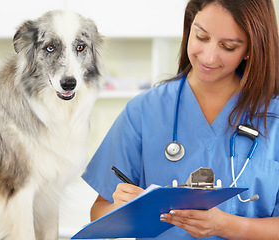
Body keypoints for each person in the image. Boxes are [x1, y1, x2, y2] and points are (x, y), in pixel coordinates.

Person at [82, 0, 279, 239]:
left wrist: (225, 226)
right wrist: (119, 208)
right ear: (189, 27)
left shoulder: (274, 116)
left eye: (228, 46)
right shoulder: (144, 111)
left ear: (250, 49)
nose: (208, 57)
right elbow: (98, 211)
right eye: (201, 37)